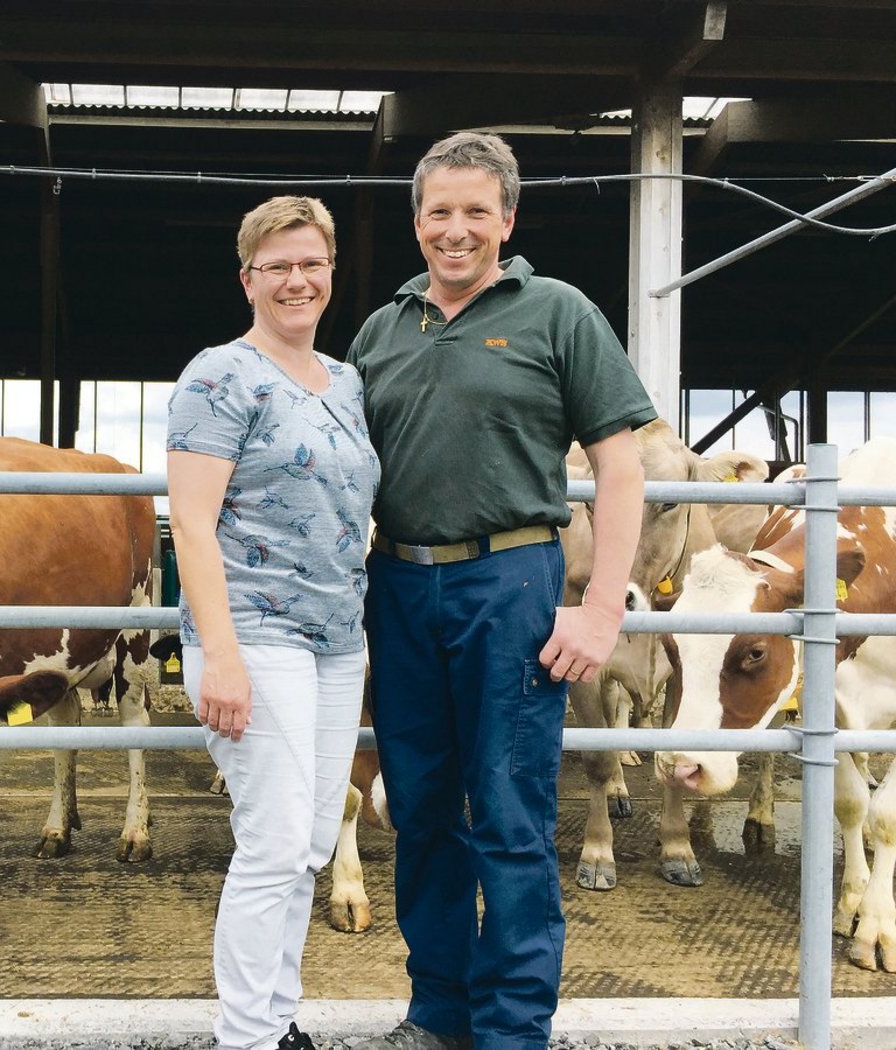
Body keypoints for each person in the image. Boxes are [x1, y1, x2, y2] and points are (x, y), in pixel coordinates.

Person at [345, 132, 655, 1050]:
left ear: (508, 220)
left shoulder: (557, 312)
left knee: (511, 808)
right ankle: (438, 1009)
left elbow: (621, 467)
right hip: (397, 583)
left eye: (477, 210)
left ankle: (515, 1027)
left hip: (512, 578)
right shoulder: (382, 328)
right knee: (423, 805)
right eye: (439, 210)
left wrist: (602, 606)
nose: (456, 229)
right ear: (416, 222)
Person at [166, 195, 380, 1050]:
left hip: (338, 641)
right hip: (252, 634)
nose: (296, 279)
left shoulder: (349, 381)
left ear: (331, 272)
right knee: (276, 839)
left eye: (310, 263)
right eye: (276, 266)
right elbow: (189, 522)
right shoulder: (218, 374)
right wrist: (220, 655)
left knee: (313, 843)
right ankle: (245, 1038)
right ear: (248, 278)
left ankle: (277, 1018)